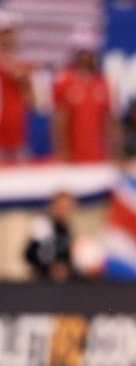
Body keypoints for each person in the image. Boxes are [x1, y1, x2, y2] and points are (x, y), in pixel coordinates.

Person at [50, 33, 117, 162]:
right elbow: (58, 120)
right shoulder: (64, 81)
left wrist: (114, 153)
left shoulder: (103, 82)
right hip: (73, 156)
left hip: (98, 155)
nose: (86, 56)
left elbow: (109, 121)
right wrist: (61, 152)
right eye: (83, 52)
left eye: (90, 52)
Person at [0, 10, 34, 162]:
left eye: (9, 34)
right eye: (3, 34)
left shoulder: (23, 65)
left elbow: (32, 102)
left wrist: (22, 79)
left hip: (17, 135)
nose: (6, 38)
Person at [24, 191, 78, 282]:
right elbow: (30, 254)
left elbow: (65, 254)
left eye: (67, 208)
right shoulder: (43, 224)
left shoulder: (66, 228)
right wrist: (51, 267)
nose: (64, 211)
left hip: (64, 281)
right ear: (53, 205)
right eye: (61, 207)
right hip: (43, 280)